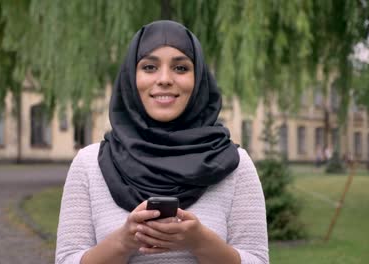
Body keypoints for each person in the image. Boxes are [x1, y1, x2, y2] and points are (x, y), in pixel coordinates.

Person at [55, 20, 269, 264]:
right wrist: (124, 241)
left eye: (180, 68)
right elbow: (66, 260)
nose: (165, 79)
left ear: (198, 80)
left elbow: (258, 260)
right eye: (149, 67)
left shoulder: (234, 165)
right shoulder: (89, 164)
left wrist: (200, 242)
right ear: (130, 78)